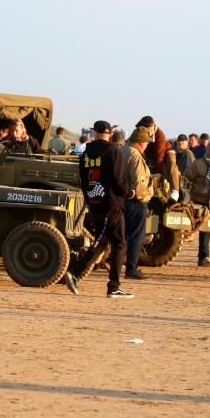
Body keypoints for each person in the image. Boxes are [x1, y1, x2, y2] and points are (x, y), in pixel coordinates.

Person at [64, 121, 134, 298]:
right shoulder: (113, 152)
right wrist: (130, 192)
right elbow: (118, 181)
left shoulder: (85, 153)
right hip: (111, 206)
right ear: (110, 134)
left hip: (94, 203)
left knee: (102, 243)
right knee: (118, 245)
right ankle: (108, 284)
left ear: (94, 133)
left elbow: (82, 178)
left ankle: (79, 275)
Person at [121, 127, 154, 279]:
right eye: (147, 143)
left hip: (122, 199)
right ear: (141, 143)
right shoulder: (135, 156)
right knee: (137, 236)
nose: (147, 146)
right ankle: (131, 269)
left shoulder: (122, 150)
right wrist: (145, 198)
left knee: (124, 235)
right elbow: (139, 184)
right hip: (135, 202)